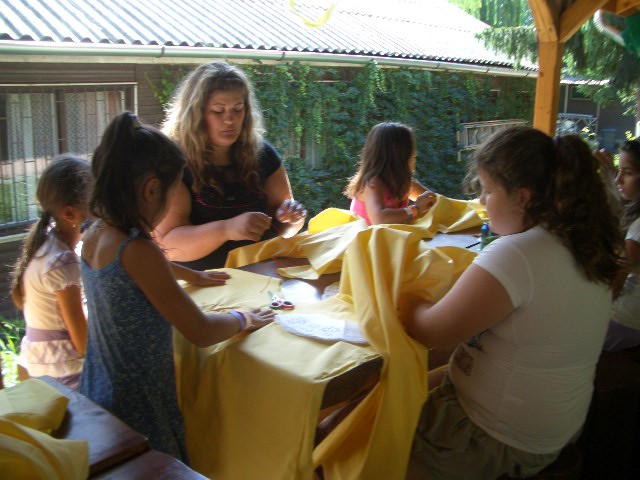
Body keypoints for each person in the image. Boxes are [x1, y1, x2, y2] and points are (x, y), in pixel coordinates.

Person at [401, 126, 623, 479]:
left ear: (523, 198)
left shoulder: (519, 253)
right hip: (547, 429)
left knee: (354, 444)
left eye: (488, 190)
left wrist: (404, 290)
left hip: (493, 440)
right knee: (388, 397)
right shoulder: (581, 241)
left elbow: (431, 332)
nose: (481, 202)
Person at [78, 112, 274, 462]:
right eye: (173, 194)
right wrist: (243, 318)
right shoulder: (139, 249)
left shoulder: (96, 233)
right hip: (138, 403)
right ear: (151, 189)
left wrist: (191, 275)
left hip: (99, 385)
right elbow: (201, 331)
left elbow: (130, 271)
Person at [154, 61, 308, 270]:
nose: (230, 120)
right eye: (218, 111)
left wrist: (292, 218)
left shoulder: (263, 155)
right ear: (195, 114)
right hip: (202, 280)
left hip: (262, 273)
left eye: (238, 109)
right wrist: (225, 229)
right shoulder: (172, 163)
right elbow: (168, 245)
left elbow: (285, 229)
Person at [11, 155, 92, 389]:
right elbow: (83, 345)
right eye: (95, 200)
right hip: (65, 375)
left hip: (43, 368)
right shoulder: (62, 261)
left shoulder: (46, 246)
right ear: (70, 214)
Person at [344, 122, 437, 226]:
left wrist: (430, 202)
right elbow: (379, 219)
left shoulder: (404, 183)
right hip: (368, 236)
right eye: (412, 155)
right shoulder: (372, 184)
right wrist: (416, 209)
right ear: (401, 158)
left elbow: (435, 202)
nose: (414, 158)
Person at [596, 140, 640, 351]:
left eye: (627, 173)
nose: (618, 179)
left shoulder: (638, 229)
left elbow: (614, 285)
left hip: (622, 323)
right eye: (618, 170)